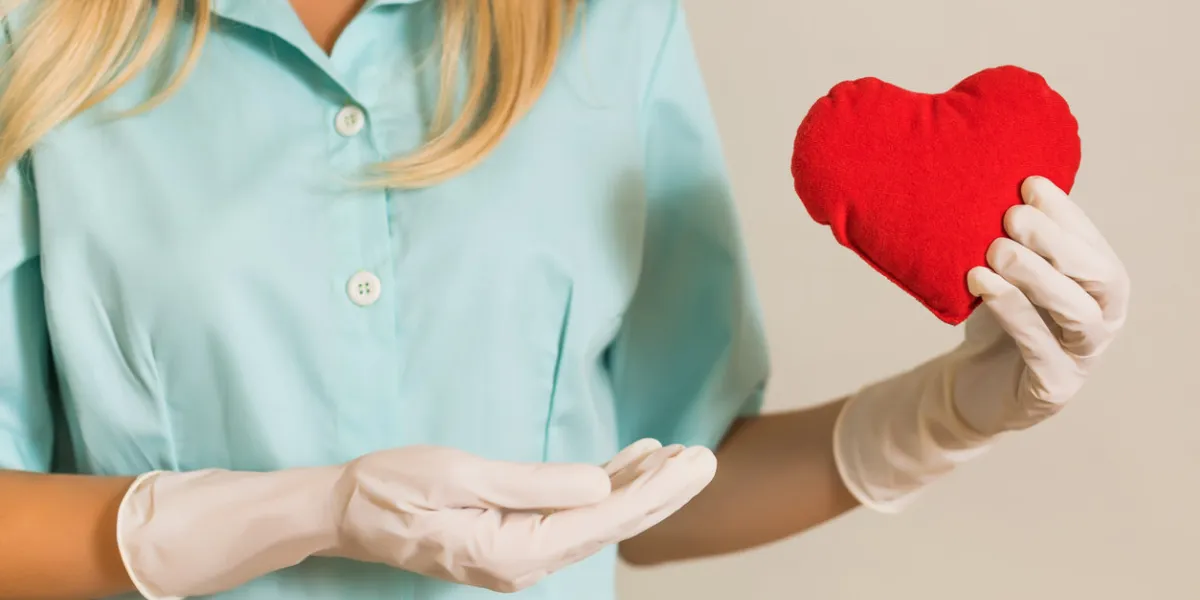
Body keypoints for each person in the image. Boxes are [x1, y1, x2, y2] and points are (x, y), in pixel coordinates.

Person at [0, 0, 1130, 599]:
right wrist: (304, 512)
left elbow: (667, 488)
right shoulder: (37, 36)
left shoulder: (610, 23)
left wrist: (943, 417)